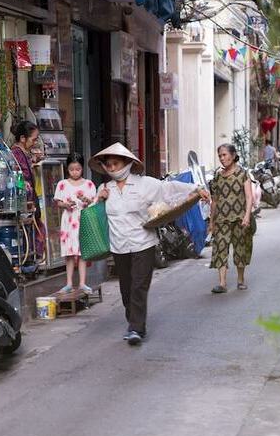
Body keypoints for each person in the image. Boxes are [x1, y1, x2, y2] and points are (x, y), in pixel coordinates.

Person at [92, 142, 208, 345]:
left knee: (139, 286)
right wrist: (98, 200)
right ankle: (133, 320)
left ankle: (136, 328)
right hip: (119, 246)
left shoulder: (145, 184)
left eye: (115, 164)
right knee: (126, 289)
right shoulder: (105, 189)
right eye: (108, 165)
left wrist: (196, 189)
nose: (111, 168)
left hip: (142, 243)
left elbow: (169, 188)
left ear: (127, 163)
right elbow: (94, 215)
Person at [209, 144, 254, 294]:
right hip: (221, 219)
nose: (222, 158)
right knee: (220, 247)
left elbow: (249, 197)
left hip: (239, 219)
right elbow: (214, 200)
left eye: (225, 155)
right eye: (220, 156)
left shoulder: (243, 173)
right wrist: (211, 221)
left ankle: (240, 280)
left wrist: (247, 215)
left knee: (240, 249)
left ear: (233, 155)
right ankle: (222, 283)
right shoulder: (217, 176)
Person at [53, 153, 97, 294]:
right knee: (69, 253)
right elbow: (58, 202)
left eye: (77, 169)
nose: (75, 172)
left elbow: (93, 203)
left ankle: (83, 283)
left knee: (82, 252)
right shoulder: (62, 184)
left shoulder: (89, 184)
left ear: (82, 168)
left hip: (83, 220)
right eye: (72, 169)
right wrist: (66, 205)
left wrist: (85, 199)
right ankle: (69, 283)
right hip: (68, 221)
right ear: (67, 169)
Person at [10, 121, 45, 257]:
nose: (35, 142)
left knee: (35, 227)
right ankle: (29, 258)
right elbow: (17, 175)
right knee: (29, 230)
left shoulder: (24, 152)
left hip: (30, 198)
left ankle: (33, 257)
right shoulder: (16, 153)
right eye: (33, 139)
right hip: (24, 198)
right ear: (23, 138)